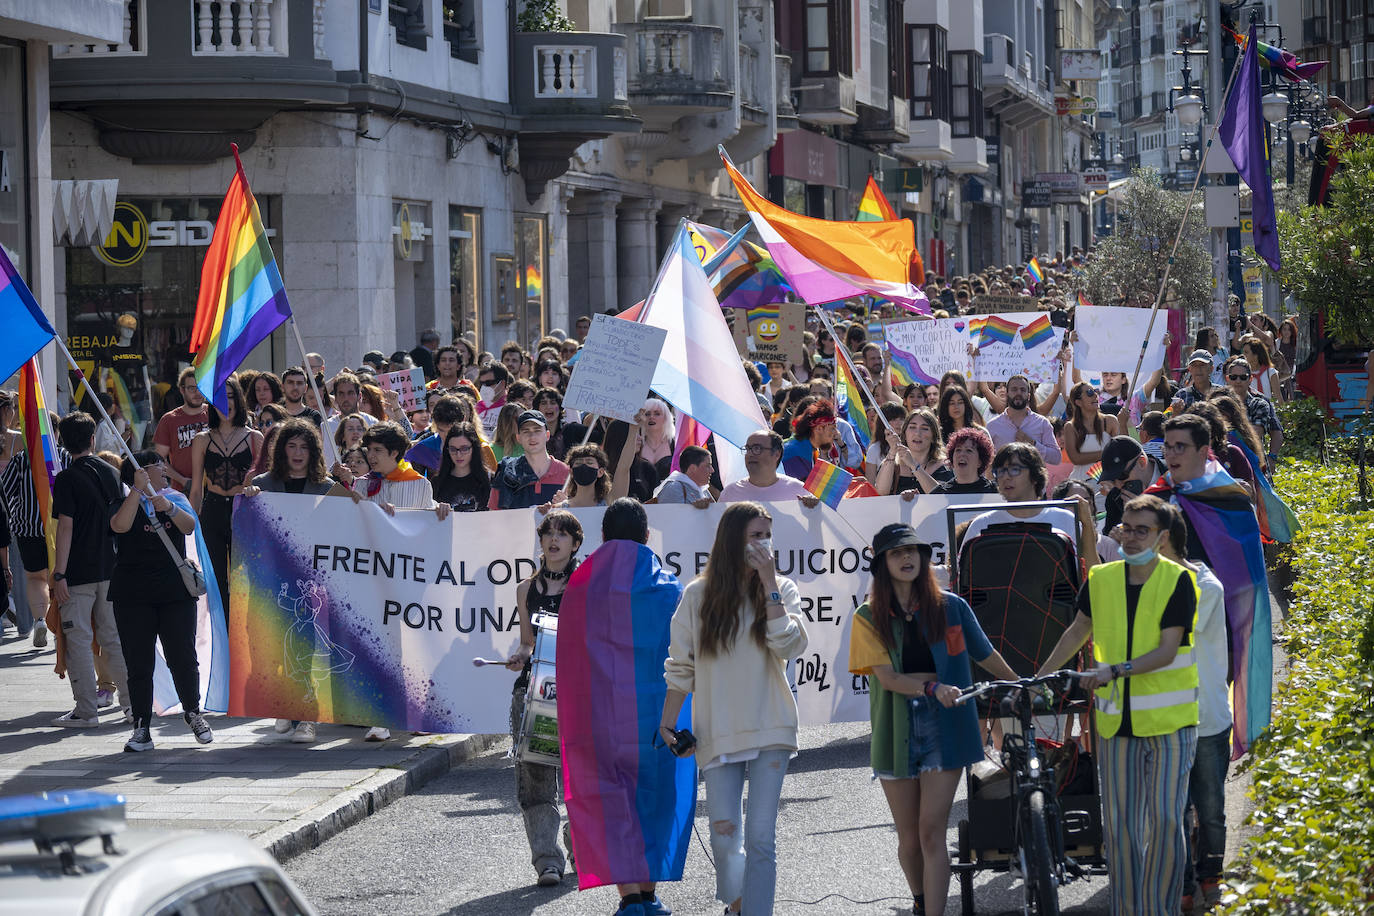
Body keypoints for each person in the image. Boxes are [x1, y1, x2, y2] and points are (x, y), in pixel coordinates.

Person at [1036, 495, 1199, 916]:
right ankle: (1129, 910)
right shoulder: (1101, 578)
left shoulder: (1178, 580)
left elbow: (1167, 651)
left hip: (1170, 723)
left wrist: (1115, 671)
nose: (1129, 536)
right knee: (1122, 831)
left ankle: (1160, 909)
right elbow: (1077, 630)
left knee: (1164, 821)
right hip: (1116, 726)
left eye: (1141, 529)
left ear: (1163, 538)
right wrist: (1042, 677)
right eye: (1125, 527)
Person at [847, 523, 1017, 916]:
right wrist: (930, 689)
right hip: (896, 729)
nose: (907, 558)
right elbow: (887, 679)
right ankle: (922, 901)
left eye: (913, 551)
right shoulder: (867, 615)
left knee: (930, 831)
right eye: (895, 553)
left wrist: (1024, 683)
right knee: (908, 837)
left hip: (948, 727)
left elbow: (985, 655)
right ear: (881, 565)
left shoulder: (952, 606)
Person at [661, 502, 810, 916]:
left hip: (772, 726)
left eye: (767, 534)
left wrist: (769, 585)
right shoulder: (697, 594)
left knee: (762, 836)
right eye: (754, 535)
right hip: (717, 729)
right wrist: (668, 723)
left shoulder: (782, 588)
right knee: (725, 837)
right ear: (732, 539)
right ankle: (740, 906)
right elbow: (680, 665)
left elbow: (790, 645)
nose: (763, 544)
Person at [557, 499, 691, 916]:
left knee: (609, 800)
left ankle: (630, 898)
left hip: (598, 718)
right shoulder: (670, 588)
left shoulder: (578, 587)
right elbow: (686, 658)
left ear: (602, 537)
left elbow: (568, 659)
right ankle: (648, 896)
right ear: (646, 536)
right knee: (656, 800)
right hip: (657, 720)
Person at [110, 450, 213, 751]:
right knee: (138, 662)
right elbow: (120, 526)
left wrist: (165, 505)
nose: (164, 470)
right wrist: (138, 491)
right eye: (157, 465)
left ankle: (193, 712)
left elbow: (189, 526)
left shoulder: (175, 500)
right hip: (132, 595)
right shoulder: (122, 500)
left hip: (174, 593)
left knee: (182, 656)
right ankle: (141, 726)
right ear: (140, 472)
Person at [1152, 513, 1229, 913]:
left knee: (1211, 811)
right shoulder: (1149, 582)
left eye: (1146, 535)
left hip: (1208, 717)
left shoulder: (1206, 586)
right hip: (1166, 717)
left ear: (1167, 541)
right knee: (1174, 814)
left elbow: (1171, 636)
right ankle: (1182, 885)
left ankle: (1210, 875)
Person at [504, 509, 582, 887]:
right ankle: (547, 861)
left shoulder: (586, 585)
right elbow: (526, 642)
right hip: (533, 692)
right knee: (536, 781)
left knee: (579, 780)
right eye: (548, 533)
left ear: (575, 543)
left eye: (562, 534)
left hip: (578, 693)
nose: (554, 540)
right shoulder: (525, 589)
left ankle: (578, 846)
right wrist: (519, 654)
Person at [50, 411, 129, 727]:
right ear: (92, 439)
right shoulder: (112, 472)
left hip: (78, 572)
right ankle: (133, 707)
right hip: (111, 568)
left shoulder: (67, 478)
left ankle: (86, 710)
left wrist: (59, 574)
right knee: (114, 639)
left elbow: (65, 528)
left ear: (62, 442)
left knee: (79, 640)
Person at [187, 378, 262, 617]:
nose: (226, 403)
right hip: (213, 510)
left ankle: (243, 637)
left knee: (246, 582)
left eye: (230, 396)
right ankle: (222, 638)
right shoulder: (201, 439)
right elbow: (197, 488)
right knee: (216, 581)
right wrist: (189, 527)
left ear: (239, 400)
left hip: (245, 512)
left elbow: (265, 484)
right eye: (220, 398)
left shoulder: (255, 438)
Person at [962, 443, 1098, 562]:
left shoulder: (1067, 520)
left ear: (1035, 476)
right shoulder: (981, 525)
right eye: (1000, 471)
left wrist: (1087, 525)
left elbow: (1091, 572)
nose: (1005, 477)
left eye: (1014, 469)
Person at [489, 410, 571, 510]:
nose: (532, 437)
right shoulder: (506, 472)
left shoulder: (566, 472)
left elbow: (579, 518)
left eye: (537, 431)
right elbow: (493, 515)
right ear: (518, 438)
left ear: (547, 435)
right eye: (526, 432)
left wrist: (566, 506)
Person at [717, 430, 820, 506]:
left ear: (776, 454)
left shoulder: (798, 490)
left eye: (757, 448)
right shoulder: (730, 494)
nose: (750, 454)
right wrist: (702, 511)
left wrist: (815, 509)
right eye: (748, 449)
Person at [1221, 357, 1284, 473]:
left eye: (1243, 377)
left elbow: (1255, 435)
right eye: (1233, 377)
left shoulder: (1260, 403)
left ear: (1250, 379)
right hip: (1225, 465)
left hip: (1254, 464)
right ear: (1227, 379)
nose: (1238, 381)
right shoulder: (1219, 403)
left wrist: (1272, 457)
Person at [153, 368, 211, 492]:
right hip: (183, 489)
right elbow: (159, 459)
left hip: (214, 487)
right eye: (192, 388)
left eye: (201, 387)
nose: (197, 392)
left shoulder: (215, 414)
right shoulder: (169, 420)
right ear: (182, 390)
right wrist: (183, 480)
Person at [985, 375, 1061, 465]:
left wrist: (1032, 444)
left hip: (1033, 478)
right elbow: (984, 460)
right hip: (1003, 478)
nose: (1018, 393)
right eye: (1014, 389)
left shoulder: (1042, 423)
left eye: (1023, 390)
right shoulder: (992, 426)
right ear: (1007, 394)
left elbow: (1056, 458)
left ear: (1028, 396)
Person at [878, 409, 951, 496]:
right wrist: (892, 451)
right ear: (904, 433)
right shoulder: (892, 463)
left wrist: (913, 465)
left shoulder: (945, 466)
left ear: (933, 436)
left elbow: (941, 496)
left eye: (924, 428)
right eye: (912, 427)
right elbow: (881, 492)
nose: (917, 433)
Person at [1064, 381, 1118, 480]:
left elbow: (1120, 451)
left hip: (1107, 484)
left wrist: (1123, 423)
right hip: (1081, 484)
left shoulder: (1111, 421)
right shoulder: (1070, 427)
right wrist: (1106, 453)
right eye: (1090, 393)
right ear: (1078, 402)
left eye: (1096, 391)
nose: (1095, 395)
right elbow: (1076, 459)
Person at [432, 423, 491, 512]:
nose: (458, 455)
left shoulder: (490, 480)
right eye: (453, 449)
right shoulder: (437, 482)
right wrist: (435, 510)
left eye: (464, 449)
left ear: (474, 448)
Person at [925, 427, 997, 496]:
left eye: (969, 450)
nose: (962, 454)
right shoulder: (939, 494)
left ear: (980, 462)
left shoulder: (995, 491)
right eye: (958, 450)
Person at [780, 399, 839, 481]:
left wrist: (852, 483)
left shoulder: (806, 448)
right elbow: (803, 490)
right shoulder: (795, 453)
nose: (836, 433)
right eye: (832, 428)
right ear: (819, 428)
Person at [476, 363, 510, 438]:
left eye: (488, 383)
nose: (484, 387)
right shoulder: (477, 407)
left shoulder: (510, 409)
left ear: (502, 383)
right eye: (482, 383)